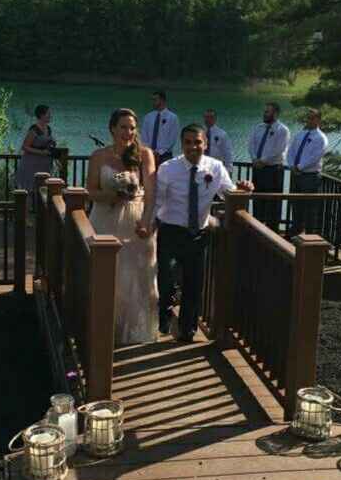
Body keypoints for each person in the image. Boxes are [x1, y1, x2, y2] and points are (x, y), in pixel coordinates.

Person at [140, 124, 253, 343]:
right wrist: (149, 223)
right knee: (165, 277)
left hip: (198, 234)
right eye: (188, 142)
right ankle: (164, 312)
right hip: (171, 231)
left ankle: (187, 330)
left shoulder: (216, 167)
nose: (193, 147)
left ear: (205, 143)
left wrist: (244, 190)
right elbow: (158, 200)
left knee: (194, 284)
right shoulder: (168, 168)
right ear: (182, 144)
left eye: (198, 142)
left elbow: (228, 193)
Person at [87, 108, 158, 346]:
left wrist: (147, 223)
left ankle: (132, 332)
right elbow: (91, 191)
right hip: (104, 219)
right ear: (112, 128)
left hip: (134, 221)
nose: (128, 132)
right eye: (123, 127)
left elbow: (151, 194)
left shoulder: (145, 154)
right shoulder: (98, 156)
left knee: (134, 275)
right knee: (107, 273)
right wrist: (111, 196)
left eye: (132, 127)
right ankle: (104, 328)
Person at [248, 102, 290, 230]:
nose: (264, 114)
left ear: (275, 114)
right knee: (257, 201)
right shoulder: (258, 128)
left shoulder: (282, 130)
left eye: (267, 111)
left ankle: (272, 233)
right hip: (258, 169)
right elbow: (251, 144)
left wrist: (263, 161)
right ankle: (256, 229)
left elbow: (279, 150)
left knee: (273, 204)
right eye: (264, 111)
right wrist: (255, 159)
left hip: (273, 171)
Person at [287, 108, 329, 235]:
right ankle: (295, 232)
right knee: (296, 205)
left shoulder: (321, 138)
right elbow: (290, 151)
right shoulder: (300, 134)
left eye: (312, 118)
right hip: (296, 175)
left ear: (318, 120)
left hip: (310, 177)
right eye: (308, 118)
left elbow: (315, 157)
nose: (309, 120)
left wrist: (300, 167)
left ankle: (310, 235)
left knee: (310, 208)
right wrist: (291, 165)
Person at [16, 105, 56, 199]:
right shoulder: (34, 129)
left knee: (43, 190)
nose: (50, 116)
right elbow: (25, 147)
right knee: (29, 189)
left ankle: (40, 212)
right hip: (31, 163)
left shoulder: (48, 129)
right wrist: (41, 152)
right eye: (48, 114)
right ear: (42, 115)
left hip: (44, 164)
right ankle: (26, 212)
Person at [140, 91, 179, 169]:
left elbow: (172, 139)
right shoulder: (148, 117)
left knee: (165, 179)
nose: (153, 102)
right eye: (152, 100)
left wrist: (159, 152)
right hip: (148, 154)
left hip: (165, 156)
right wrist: (150, 151)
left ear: (162, 100)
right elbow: (144, 137)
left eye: (155, 100)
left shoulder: (173, 118)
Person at [203, 109, 233, 175]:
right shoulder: (199, 133)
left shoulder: (222, 134)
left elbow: (228, 153)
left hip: (216, 167)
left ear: (215, 119)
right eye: (206, 117)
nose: (208, 119)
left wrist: (229, 169)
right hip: (202, 167)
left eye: (210, 117)